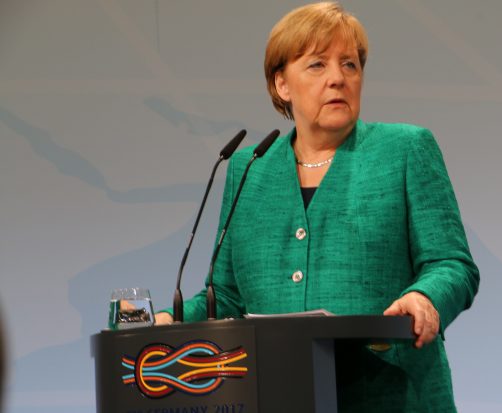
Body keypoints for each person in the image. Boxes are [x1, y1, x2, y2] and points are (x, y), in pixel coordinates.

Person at [156, 2, 479, 411]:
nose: (337, 79)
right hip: (278, 396)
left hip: (391, 396)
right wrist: (166, 322)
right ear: (281, 85)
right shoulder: (249, 167)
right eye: (317, 65)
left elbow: (452, 264)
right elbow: (228, 300)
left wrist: (425, 298)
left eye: (349, 65)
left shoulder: (405, 150)